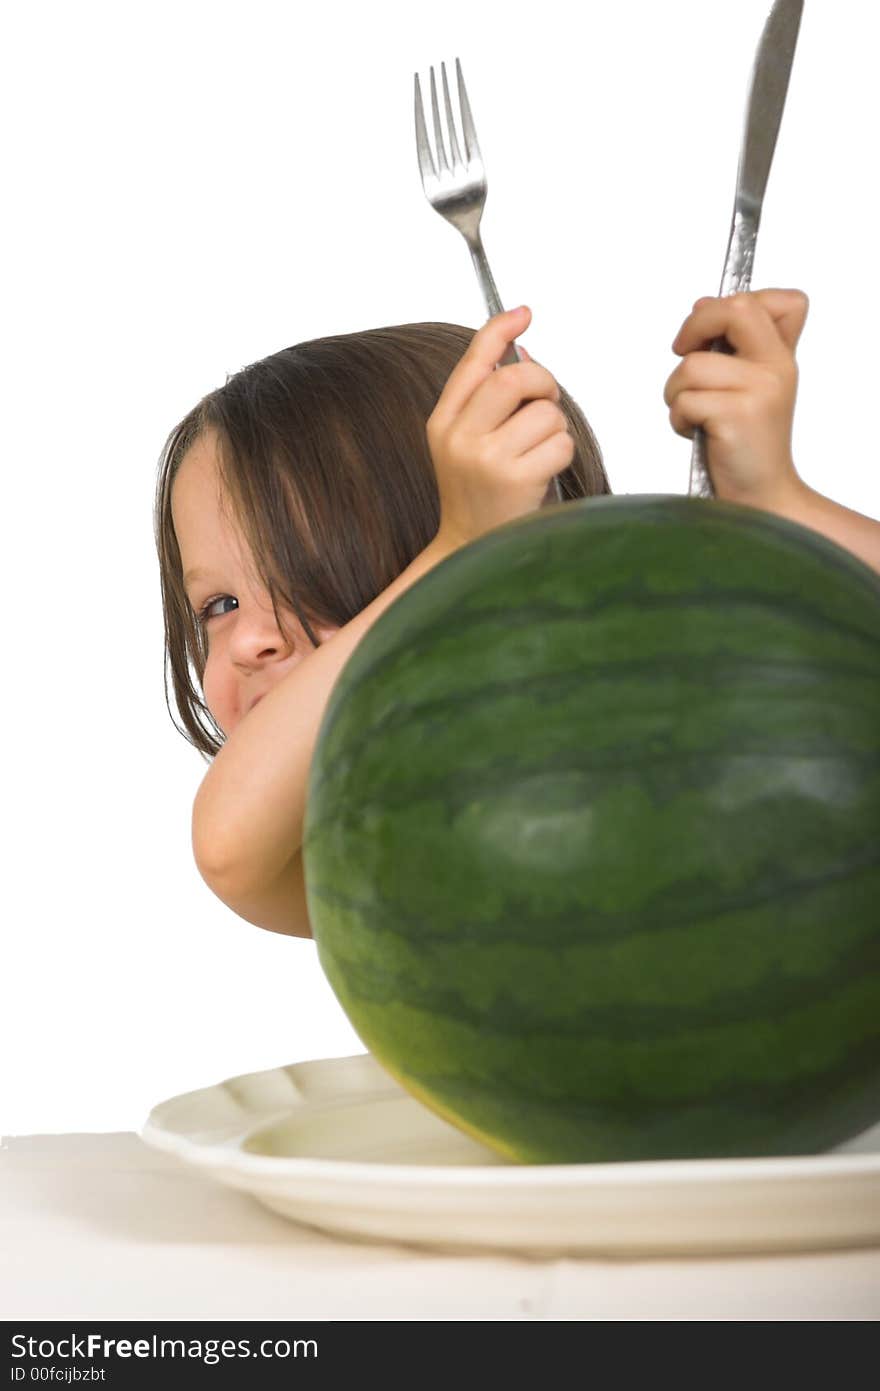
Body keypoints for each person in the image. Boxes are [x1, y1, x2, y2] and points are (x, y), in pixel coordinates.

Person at [155, 293, 880, 939]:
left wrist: (780, 507)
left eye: (313, 571)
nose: (249, 639)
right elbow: (229, 844)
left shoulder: (668, 724)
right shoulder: (373, 845)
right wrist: (455, 548)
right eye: (219, 605)